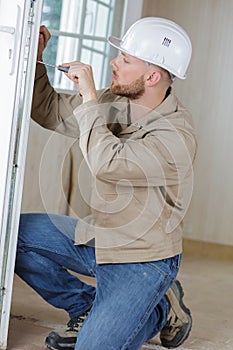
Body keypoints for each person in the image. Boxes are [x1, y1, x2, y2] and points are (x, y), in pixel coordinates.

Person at [15, 17, 196, 350]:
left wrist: (88, 99)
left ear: (152, 76)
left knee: (94, 347)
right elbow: (49, 110)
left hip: (143, 260)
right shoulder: (119, 101)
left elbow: (107, 164)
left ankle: (159, 309)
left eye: (125, 60)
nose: (114, 62)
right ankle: (83, 305)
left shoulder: (176, 138)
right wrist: (37, 58)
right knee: (14, 237)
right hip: (102, 238)